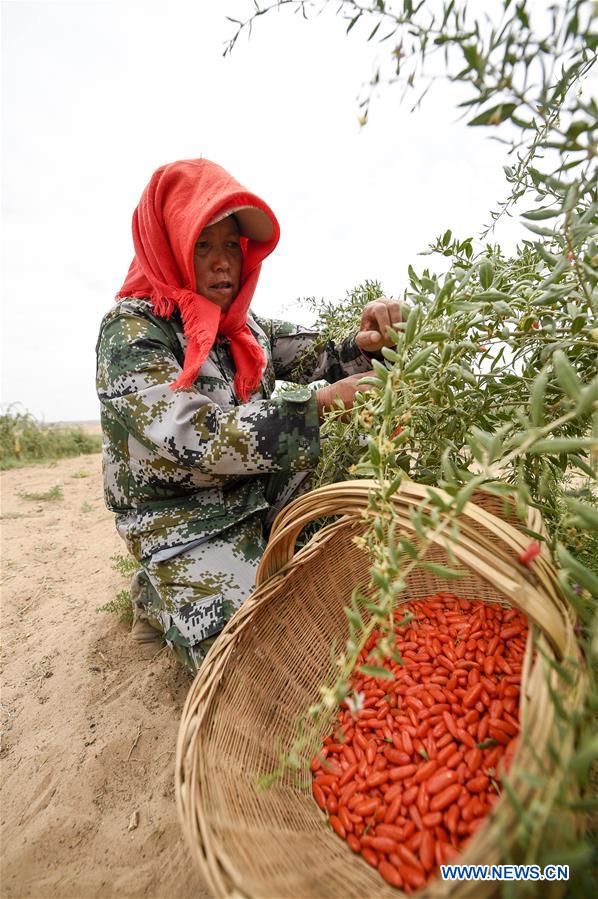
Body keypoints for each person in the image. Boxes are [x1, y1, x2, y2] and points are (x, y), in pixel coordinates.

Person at [96, 158, 403, 672]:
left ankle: (255, 556)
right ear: (171, 244)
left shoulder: (245, 327)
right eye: (203, 245)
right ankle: (157, 593)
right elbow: (195, 437)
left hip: (251, 491)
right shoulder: (133, 331)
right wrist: (322, 405)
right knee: (252, 659)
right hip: (182, 515)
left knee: (344, 544)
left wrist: (370, 340)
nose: (223, 263)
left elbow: (325, 358)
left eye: (231, 246)